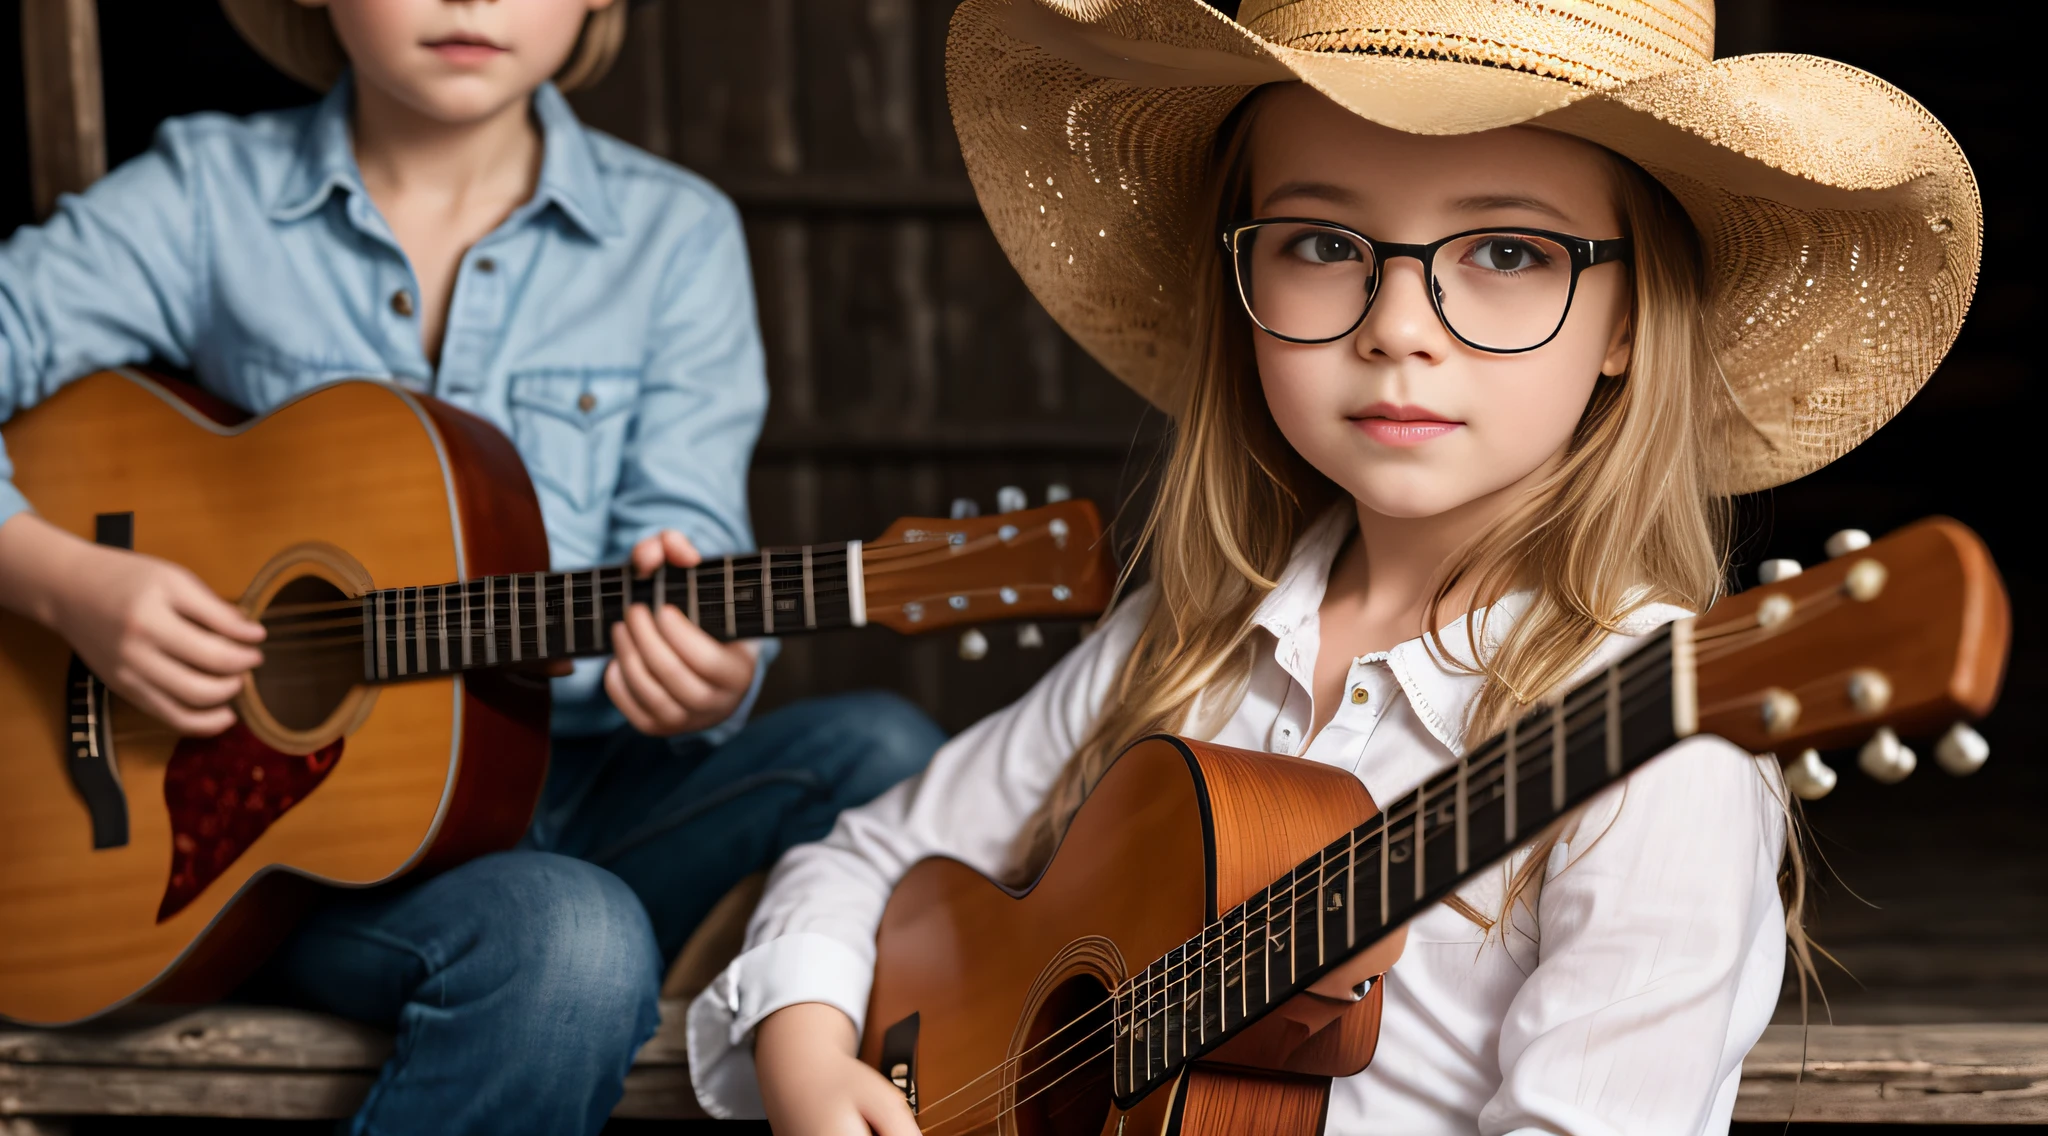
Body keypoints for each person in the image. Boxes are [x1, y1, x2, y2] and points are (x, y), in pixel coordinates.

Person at [688, 0, 1982, 1132]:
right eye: (1320, 244)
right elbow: (861, 858)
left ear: (1630, 317)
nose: (1397, 330)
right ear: (1241, 271)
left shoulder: (1663, 756)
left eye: (1508, 252)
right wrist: (805, 1049)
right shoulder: (1183, 643)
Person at [0, 1, 943, 1132]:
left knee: (890, 758)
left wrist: (710, 671)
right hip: (302, 858)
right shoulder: (206, 198)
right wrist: (63, 581)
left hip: (591, 793)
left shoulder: (673, 237)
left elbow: (694, 544)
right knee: (572, 937)